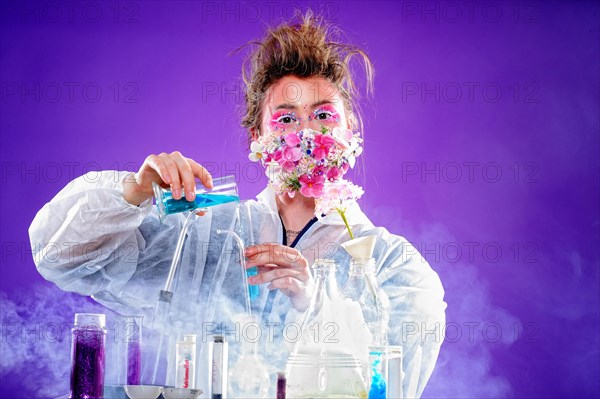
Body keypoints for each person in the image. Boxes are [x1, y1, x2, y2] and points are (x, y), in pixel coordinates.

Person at [29, 10, 446, 398]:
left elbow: (391, 384)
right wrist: (134, 193)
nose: (305, 132)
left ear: (350, 129)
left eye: (323, 115)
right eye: (285, 118)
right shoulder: (203, 231)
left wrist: (317, 304)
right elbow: (61, 254)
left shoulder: (393, 266)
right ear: (256, 139)